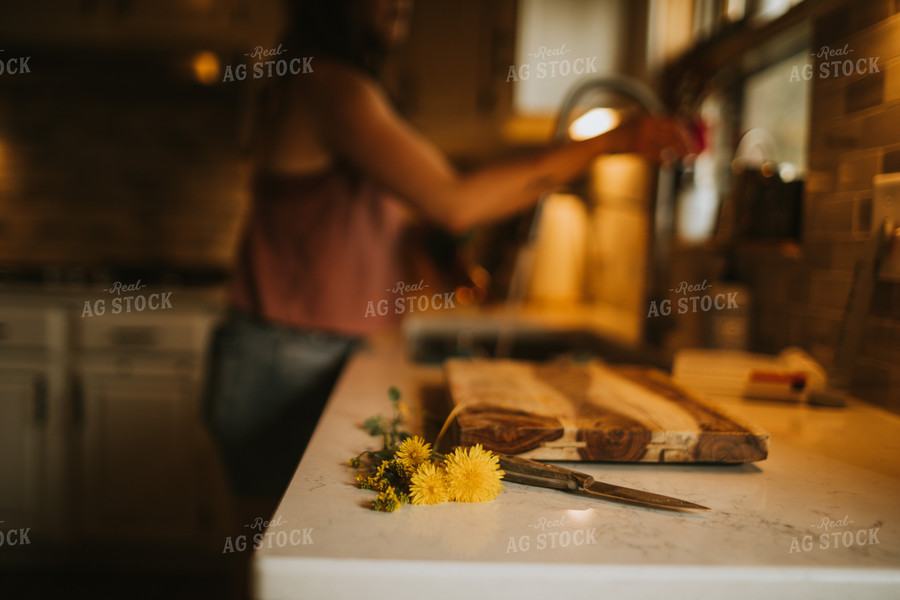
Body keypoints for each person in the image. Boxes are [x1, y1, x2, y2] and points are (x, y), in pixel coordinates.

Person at [204, 0, 692, 504]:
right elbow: (455, 204)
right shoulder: (332, 86)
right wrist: (609, 141)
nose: (402, 3)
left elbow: (370, 225)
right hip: (287, 363)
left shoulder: (327, 84)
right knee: (288, 560)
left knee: (294, 550)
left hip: (298, 354)